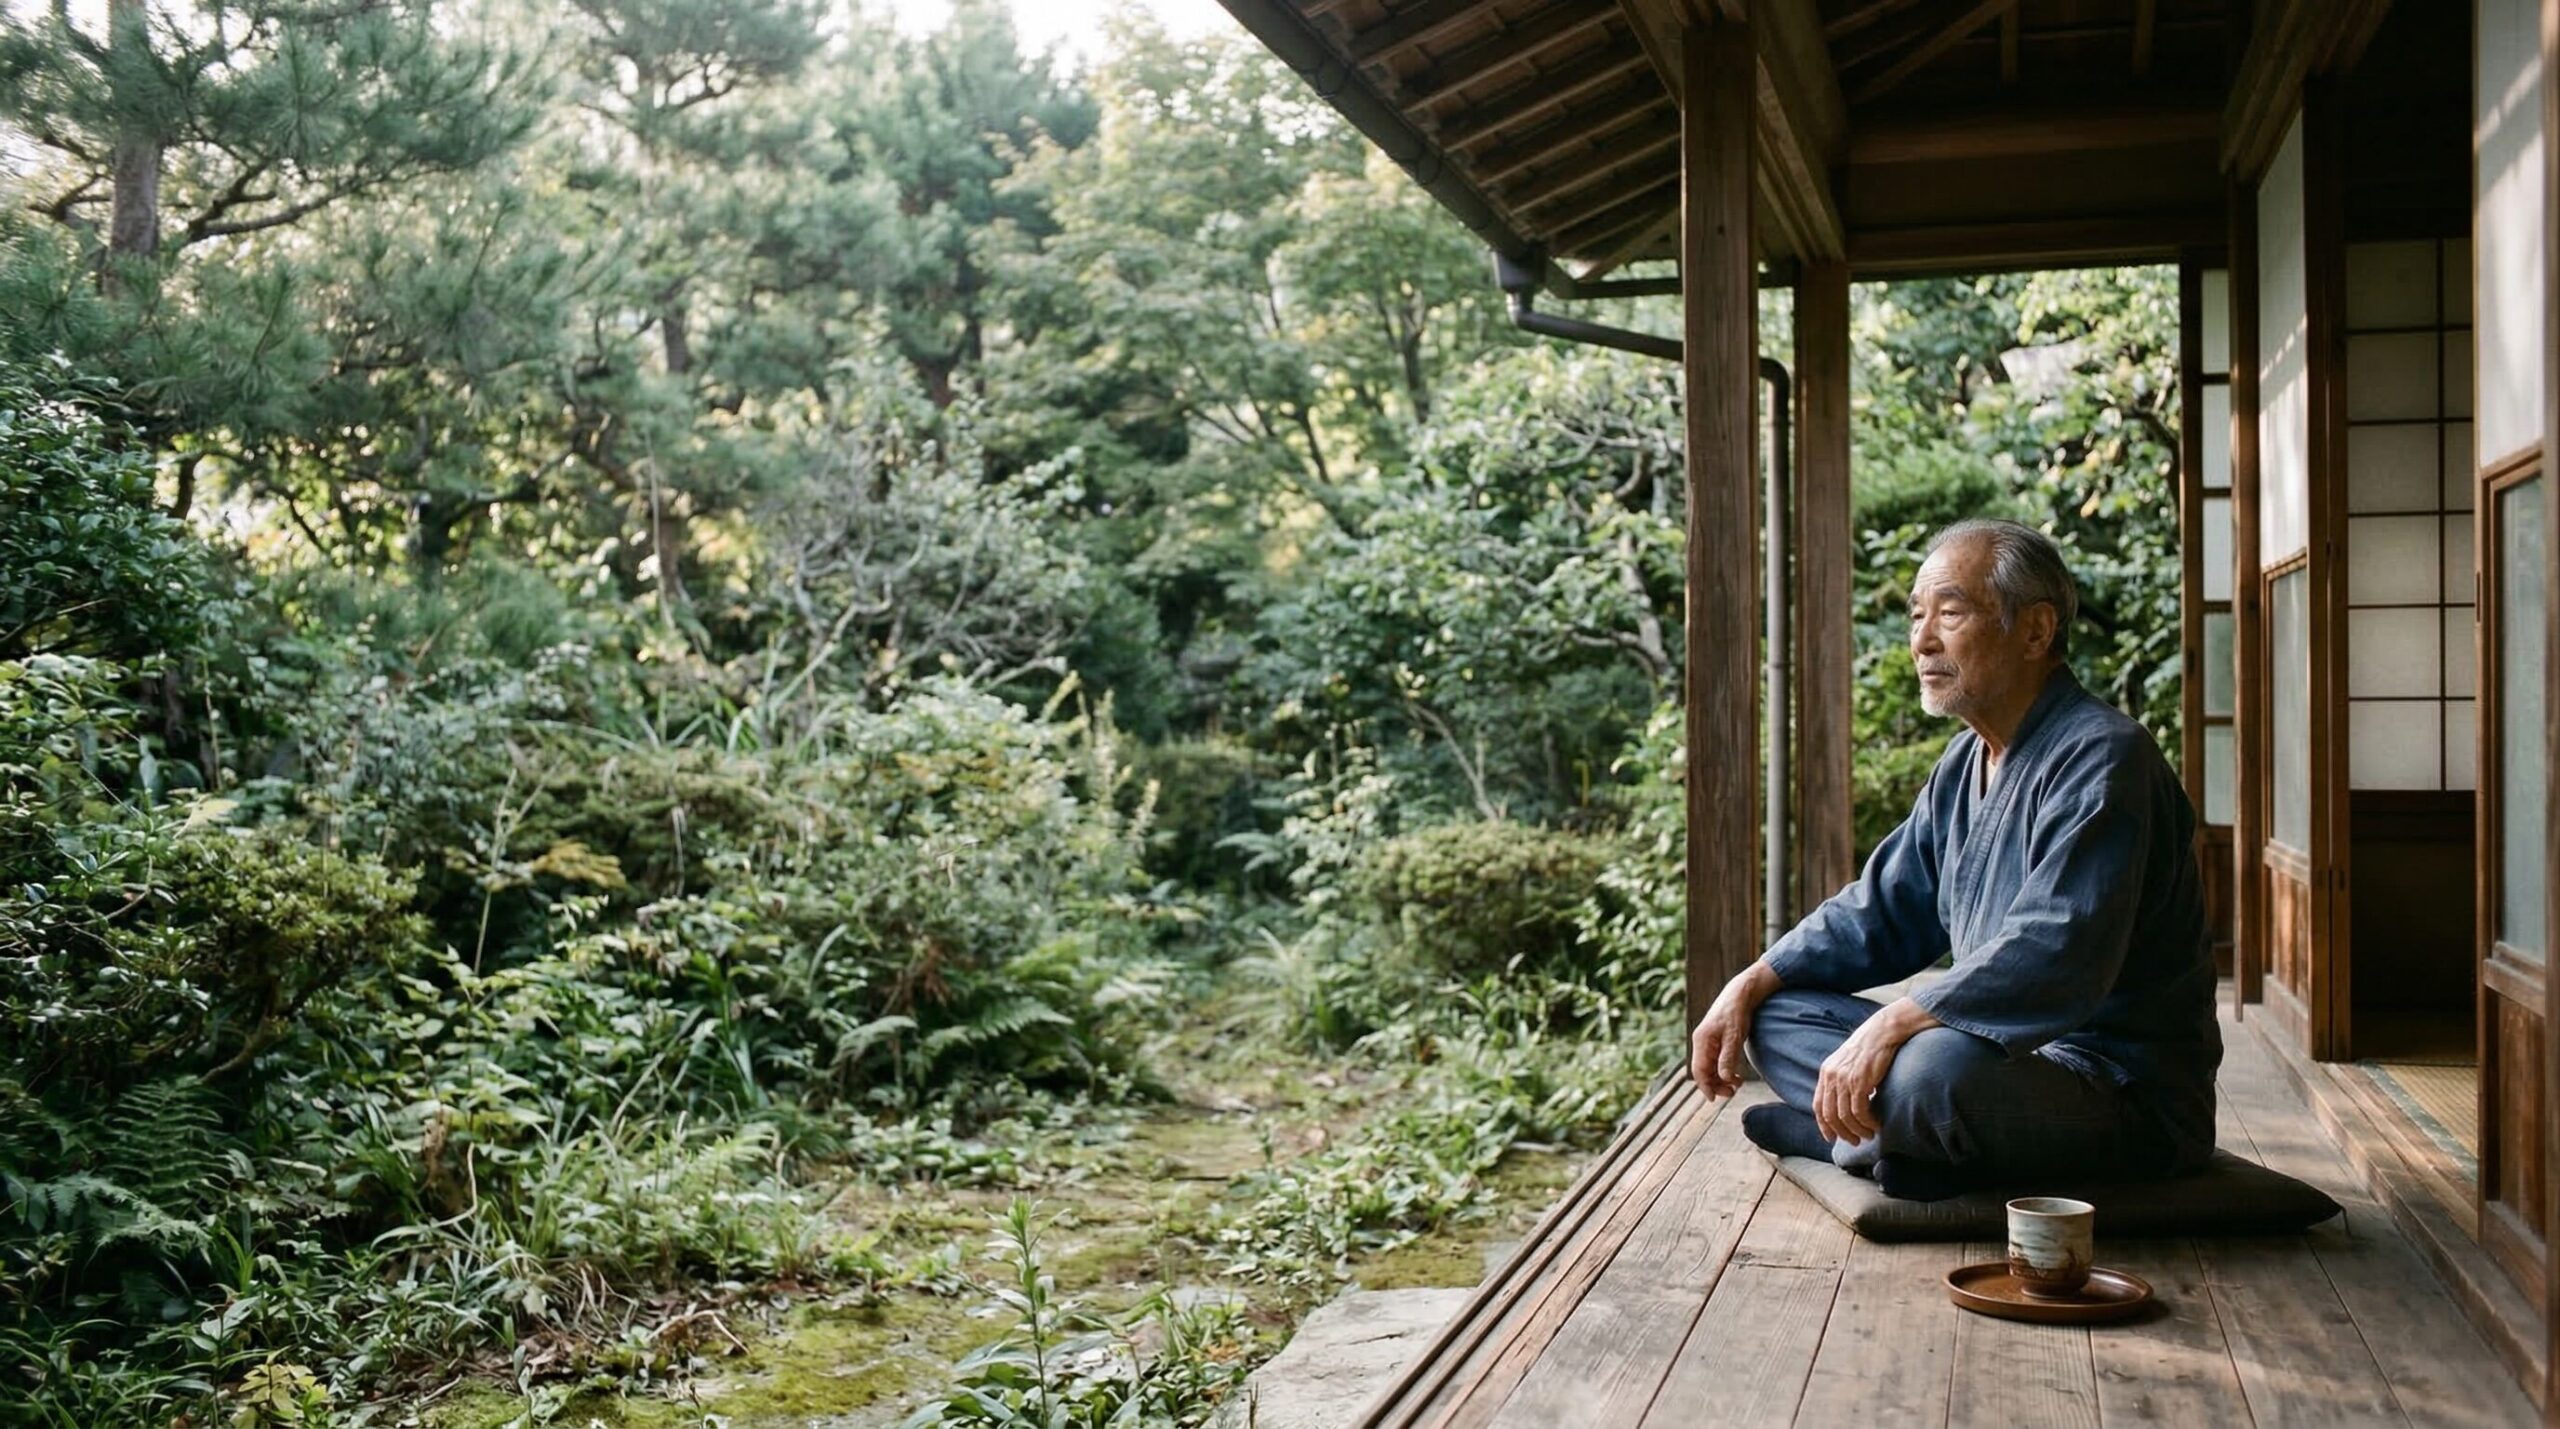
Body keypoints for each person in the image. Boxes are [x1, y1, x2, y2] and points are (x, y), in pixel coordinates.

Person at [1688, 518, 2221, 1201]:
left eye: (1950, 611)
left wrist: (1895, 1019)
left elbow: (2055, 947)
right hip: (1996, 1059)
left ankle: (1852, 1139)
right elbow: (1879, 908)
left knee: (1929, 1071)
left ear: (2035, 630)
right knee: (1775, 1014)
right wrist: (1753, 978)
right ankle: (1899, 1144)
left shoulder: (2107, 757)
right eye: (1917, 615)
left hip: (2116, 1088)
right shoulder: (1966, 761)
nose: (1922, 640)